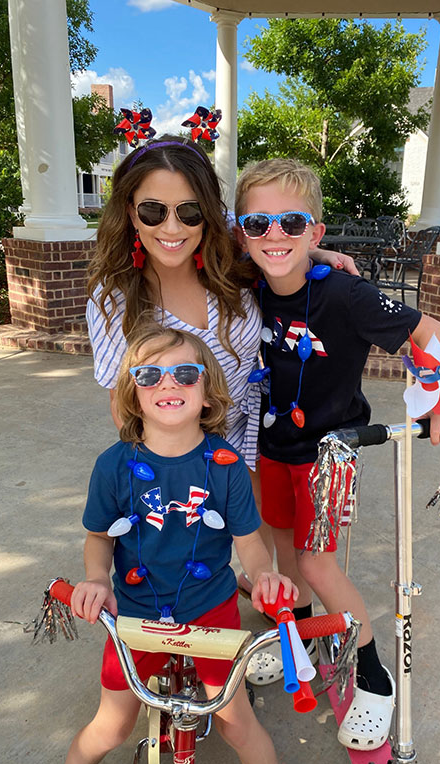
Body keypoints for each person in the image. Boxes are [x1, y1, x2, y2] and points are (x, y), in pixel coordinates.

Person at [234, 158, 440, 752]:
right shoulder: (245, 280)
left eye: (292, 222)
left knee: (316, 564)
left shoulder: (347, 293)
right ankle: (304, 638)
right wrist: (310, 252)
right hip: (270, 449)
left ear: (316, 230)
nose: (274, 235)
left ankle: (372, 673)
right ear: (241, 232)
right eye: (257, 223)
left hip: (331, 455)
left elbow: (430, 329)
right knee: (280, 547)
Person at [85, 133, 355, 595]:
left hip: (262, 429)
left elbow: (274, 236)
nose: (172, 227)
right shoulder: (115, 302)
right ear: (131, 212)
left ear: (207, 213)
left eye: (188, 211)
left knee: (273, 540)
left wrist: (314, 253)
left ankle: (283, 619)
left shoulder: (229, 261)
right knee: (198, 552)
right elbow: (123, 403)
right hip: (184, 442)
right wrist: (163, 467)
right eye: (154, 211)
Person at [43, 324, 298, 764]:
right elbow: (98, 538)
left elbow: (250, 543)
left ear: (207, 393)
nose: (168, 384)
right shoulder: (113, 466)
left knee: (237, 723)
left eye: (185, 373)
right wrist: (97, 578)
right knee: (111, 727)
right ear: (132, 395)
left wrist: (264, 574)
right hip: (136, 611)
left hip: (211, 610)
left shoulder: (227, 467)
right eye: (149, 375)